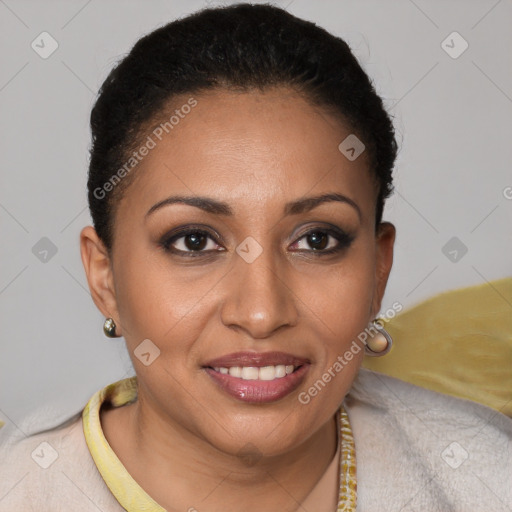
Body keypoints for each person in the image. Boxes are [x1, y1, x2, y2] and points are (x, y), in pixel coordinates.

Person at [1, 3, 510, 511]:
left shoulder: (487, 476)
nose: (262, 313)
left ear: (378, 269)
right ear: (104, 277)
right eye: (194, 241)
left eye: (316, 240)